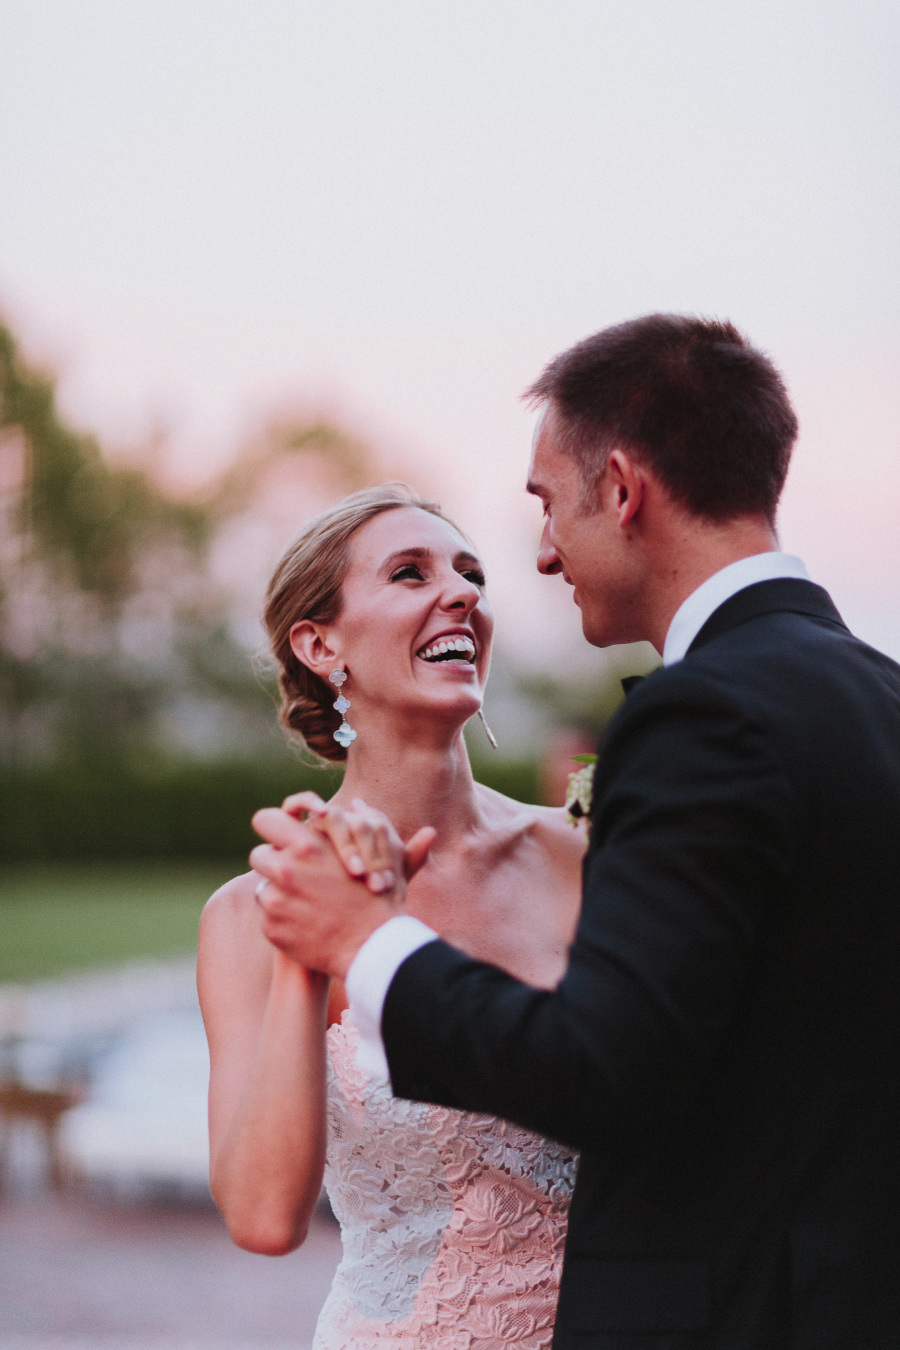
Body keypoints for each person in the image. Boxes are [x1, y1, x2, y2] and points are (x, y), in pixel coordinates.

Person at [250, 314, 900, 1348]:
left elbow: (611, 1067)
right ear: (317, 643)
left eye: (545, 507)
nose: (538, 556)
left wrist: (367, 946)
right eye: (412, 574)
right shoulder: (880, 697)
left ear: (626, 490)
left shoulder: (697, 720)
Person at [197, 484, 586, 1349]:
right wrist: (312, 942)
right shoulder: (245, 917)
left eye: (471, 574)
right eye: (411, 573)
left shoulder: (588, 853)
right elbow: (264, 1218)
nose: (463, 594)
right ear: (319, 643)